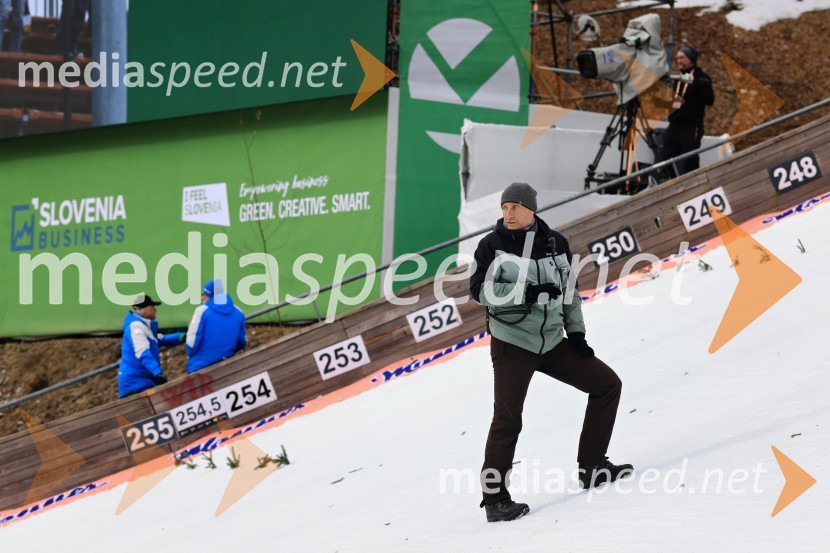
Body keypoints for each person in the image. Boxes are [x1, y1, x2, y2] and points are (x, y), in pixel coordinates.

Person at [470, 182, 632, 522]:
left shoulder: (556, 242)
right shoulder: (491, 245)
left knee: (607, 385)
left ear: (531, 209)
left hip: (554, 341)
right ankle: (495, 499)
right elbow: (480, 291)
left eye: (515, 206)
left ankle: (592, 467)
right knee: (508, 417)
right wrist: (525, 292)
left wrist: (576, 333)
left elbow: (570, 292)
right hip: (513, 342)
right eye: (504, 207)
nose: (508, 213)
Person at [656, 45, 715, 177]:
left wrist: (697, 84)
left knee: (689, 161)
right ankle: (671, 183)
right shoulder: (678, 78)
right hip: (674, 125)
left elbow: (710, 100)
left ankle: (694, 187)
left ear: (691, 59)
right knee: (664, 158)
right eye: (677, 58)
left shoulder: (701, 77)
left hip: (691, 126)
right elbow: (679, 99)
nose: (679, 61)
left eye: (682, 57)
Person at [118, 293, 184, 398]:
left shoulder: (142, 327)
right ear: (146, 309)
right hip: (136, 384)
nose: (155, 310)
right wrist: (157, 373)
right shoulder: (136, 327)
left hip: (141, 381)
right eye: (153, 307)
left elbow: (161, 339)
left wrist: (181, 337)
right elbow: (143, 352)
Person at [185, 280, 247, 373]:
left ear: (209, 295)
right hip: (228, 365)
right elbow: (242, 342)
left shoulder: (201, 311)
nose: (202, 297)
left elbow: (191, 343)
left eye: (203, 294)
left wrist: (191, 355)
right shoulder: (239, 311)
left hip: (200, 368)